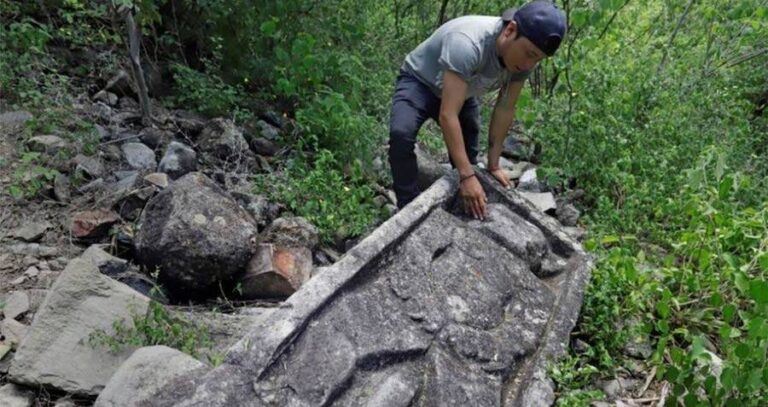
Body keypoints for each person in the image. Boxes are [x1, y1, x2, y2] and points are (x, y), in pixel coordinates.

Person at [388, 0, 566, 219]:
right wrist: (466, 177)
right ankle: (408, 209)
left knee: (469, 147)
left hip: (462, 89)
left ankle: (464, 197)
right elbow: (448, 114)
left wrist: (493, 165)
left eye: (537, 59)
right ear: (510, 30)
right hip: (420, 82)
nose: (530, 65)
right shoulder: (468, 43)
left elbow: (505, 108)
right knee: (401, 135)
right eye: (529, 54)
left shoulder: (524, 60)